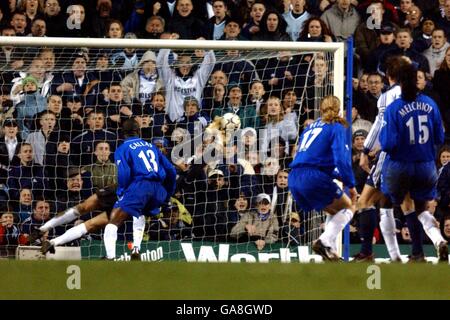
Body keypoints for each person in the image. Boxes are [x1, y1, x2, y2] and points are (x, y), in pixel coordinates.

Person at [380, 62, 449, 262]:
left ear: (400, 83)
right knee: (421, 208)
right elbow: (439, 137)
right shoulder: (431, 104)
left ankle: (408, 254)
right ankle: (435, 243)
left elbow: (387, 143)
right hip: (426, 165)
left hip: (401, 163)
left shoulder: (394, 108)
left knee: (396, 203)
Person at [289, 95, 357, 261]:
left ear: (321, 109)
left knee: (333, 209)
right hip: (313, 177)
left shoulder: (309, 128)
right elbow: (341, 159)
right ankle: (324, 241)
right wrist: (351, 184)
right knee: (349, 207)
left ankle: (331, 254)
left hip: (295, 177)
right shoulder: (336, 126)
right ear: (339, 110)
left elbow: (309, 158)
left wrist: (336, 175)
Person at [103, 118, 176, 260]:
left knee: (113, 222)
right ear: (138, 131)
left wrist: (122, 192)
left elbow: (124, 173)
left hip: (140, 186)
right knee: (140, 213)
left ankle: (110, 257)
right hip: (158, 189)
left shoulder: (122, 148)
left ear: (122, 133)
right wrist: (167, 195)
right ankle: (136, 248)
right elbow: (171, 170)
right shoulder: (152, 146)